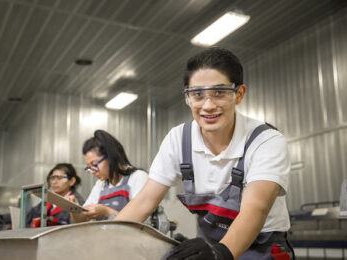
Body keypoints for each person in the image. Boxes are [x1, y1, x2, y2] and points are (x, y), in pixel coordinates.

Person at [115, 47, 294, 259]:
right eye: (197, 95)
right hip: (209, 245)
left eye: (219, 93)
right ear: (187, 98)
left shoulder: (266, 141)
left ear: (239, 94)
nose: (208, 106)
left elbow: (256, 209)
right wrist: (107, 239)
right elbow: (145, 200)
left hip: (261, 246)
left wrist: (221, 253)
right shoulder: (178, 139)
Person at [69, 130, 148, 222]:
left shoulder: (138, 177)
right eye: (89, 167)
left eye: (94, 164)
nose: (92, 171)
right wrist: (74, 209)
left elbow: (138, 221)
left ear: (111, 157)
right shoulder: (100, 184)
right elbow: (82, 220)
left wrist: (106, 212)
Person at [26, 163, 85, 227]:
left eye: (59, 178)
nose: (54, 182)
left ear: (72, 181)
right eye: (53, 178)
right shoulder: (48, 201)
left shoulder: (77, 202)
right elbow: (29, 219)